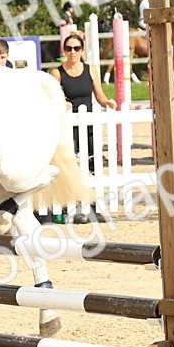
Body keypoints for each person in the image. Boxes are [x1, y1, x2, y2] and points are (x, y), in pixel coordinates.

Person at [50, 33, 117, 224]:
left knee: (93, 165)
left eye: (76, 48)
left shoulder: (90, 70)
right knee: (70, 166)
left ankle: (94, 208)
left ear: (82, 50)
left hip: (89, 125)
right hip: (68, 127)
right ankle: (69, 209)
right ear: (64, 51)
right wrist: (61, 103)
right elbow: (51, 97)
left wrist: (108, 103)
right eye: (69, 48)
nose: (73, 52)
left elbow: (100, 96)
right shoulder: (57, 73)